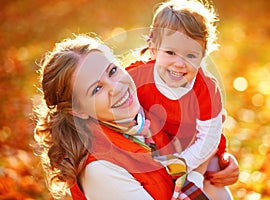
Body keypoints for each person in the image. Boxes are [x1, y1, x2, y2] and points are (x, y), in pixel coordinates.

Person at [33, 34, 210, 200]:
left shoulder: (141, 117)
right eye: (96, 89)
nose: (116, 88)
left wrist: (219, 164)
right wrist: (199, 171)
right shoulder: (100, 170)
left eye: (112, 71)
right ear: (78, 110)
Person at [126, 0, 239, 199]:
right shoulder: (136, 77)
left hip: (200, 149)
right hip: (159, 148)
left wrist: (184, 167)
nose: (180, 64)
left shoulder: (206, 89)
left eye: (191, 55)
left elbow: (208, 139)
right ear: (153, 47)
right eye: (170, 52)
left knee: (214, 185)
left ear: (203, 54)